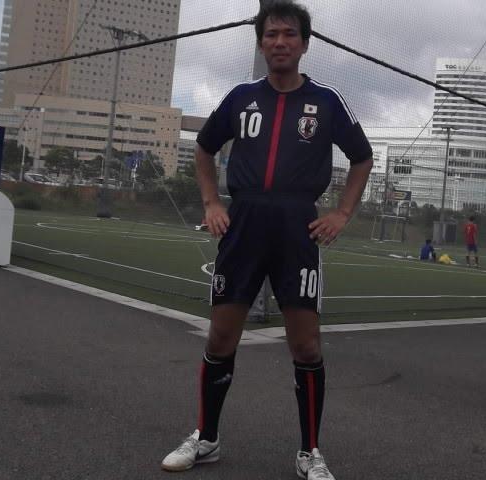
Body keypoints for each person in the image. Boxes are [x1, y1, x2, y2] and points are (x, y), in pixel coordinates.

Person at [160, 2, 373, 479]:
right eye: (272, 34)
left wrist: (342, 212)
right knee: (221, 336)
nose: (280, 42)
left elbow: (362, 157)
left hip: (297, 228)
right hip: (244, 224)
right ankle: (206, 438)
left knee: (307, 346)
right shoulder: (240, 97)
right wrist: (212, 202)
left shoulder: (328, 101)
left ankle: (310, 451)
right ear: (261, 42)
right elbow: (204, 148)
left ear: (304, 43)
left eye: (289, 34)